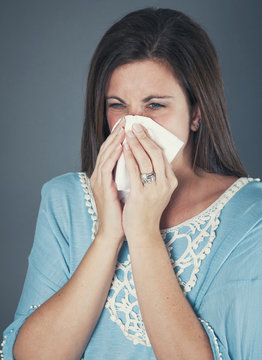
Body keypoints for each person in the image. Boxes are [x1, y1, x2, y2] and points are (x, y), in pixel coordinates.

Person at [1, 7, 262, 360]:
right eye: (118, 106)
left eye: (155, 105)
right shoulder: (64, 200)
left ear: (196, 114)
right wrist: (109, 235)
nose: (134, 125)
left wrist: (143, 233)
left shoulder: (251, 218)